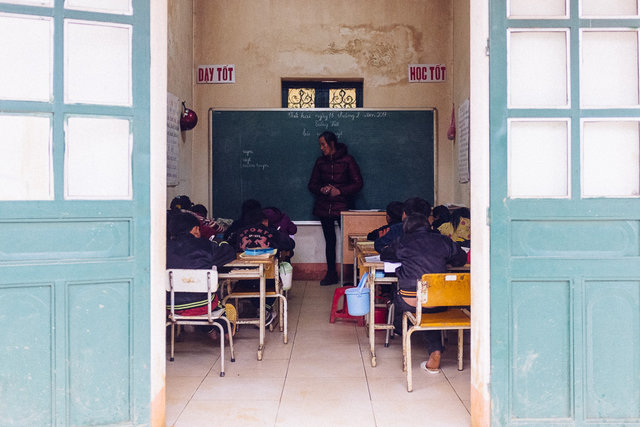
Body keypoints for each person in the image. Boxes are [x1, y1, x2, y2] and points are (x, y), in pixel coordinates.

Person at [381, 213, 467, 373]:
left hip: (410, 300)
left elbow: (385, 255)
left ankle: (401, 331)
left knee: (400, 301)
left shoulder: (403, 242)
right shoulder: (443, 241)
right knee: (428, 305)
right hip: (439, 302)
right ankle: (435, 350)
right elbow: (461, 258)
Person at [166, 212, 237, 336]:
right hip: (203, 305)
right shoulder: (206, 245)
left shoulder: (162, 248)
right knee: (214, 300)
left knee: (196, 301)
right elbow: (229, 252)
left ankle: (208, 329)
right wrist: (216, 240)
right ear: (195, 229)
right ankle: (225, 329)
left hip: (171, 307)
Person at [308, 131, 363, 286]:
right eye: (320, 145)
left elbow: (358, 183)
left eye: (323, 144)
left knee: (350, 242)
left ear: (332, 144)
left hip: (343, 207)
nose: (321, 148)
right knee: (329, 241)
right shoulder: (320, 162)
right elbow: (311, 184)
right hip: (324, 207)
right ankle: (331, 274)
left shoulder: (348, 160)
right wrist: (321, 189)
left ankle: (354, 275)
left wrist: (340, 191)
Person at [232, 206, 294, 325]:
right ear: (265, 221)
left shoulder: (238, 233)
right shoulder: (271, 232)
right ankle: (264, 308)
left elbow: (229, 246)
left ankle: (259, 308)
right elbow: (290, 244)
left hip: (244, 279)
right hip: (267, 280)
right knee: (275, 279)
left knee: (252, 282)